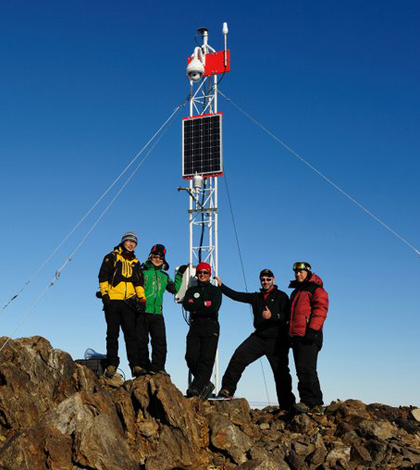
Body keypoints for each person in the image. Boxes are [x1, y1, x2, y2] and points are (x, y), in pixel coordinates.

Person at [215, 269, 296, 410]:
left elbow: (288, 316)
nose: (265, 282)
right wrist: (222, 286)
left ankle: (287, 405)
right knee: (238, 356)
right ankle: (227, 390)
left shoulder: (282, 296)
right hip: (259, 337)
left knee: (281, 372)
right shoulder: (256, 297)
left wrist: (273, 316)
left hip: (277, 339)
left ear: (273, 280)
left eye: (268, 279)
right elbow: (237, 296)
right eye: (263, 279)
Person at [98, 231, 146, 379]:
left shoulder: (136, 262)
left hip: (129, 303)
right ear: (123, 242)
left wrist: (142, 298)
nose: (131, 244)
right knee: (112, 334)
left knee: (131, 335)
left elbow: (138, 282)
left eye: (134, 242)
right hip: (113, 301)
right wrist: (105, 295)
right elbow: (103, 276)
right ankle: (112, 364)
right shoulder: (111, 257)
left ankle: (135, 366)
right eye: (129, 241)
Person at [136, 244, 186, 375]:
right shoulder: (142, 272)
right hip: (142, 311)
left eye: (161, 258)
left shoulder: (164, 276)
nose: (158, 259)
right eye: (155, 256)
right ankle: (143, 367)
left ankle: (158, 367)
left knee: (160, 342)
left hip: (157, 313)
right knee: (141, 342)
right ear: (150, 257)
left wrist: (180, 274)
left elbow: (174, 289)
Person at [288, 262, 329, 414]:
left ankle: (315, 402)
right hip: (297, 336)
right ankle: (306, 400)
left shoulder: (316, 289)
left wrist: (312, 330)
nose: (298, 274)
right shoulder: (297, 292)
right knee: (301, 370)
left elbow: (321, 309)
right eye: (296, 272)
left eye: (301, 272)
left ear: (308, 272)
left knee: (308, 369)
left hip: (310, 335)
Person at [183, 262, 222, 399]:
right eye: (200, 272)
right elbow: (187, 305)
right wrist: (204, 303)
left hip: (210, 326)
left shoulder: (215, 290)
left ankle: (196, 387)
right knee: (190, 357)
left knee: (206, 358)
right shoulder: (191, 291)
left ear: (209, 274)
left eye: (205, 272)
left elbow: (213, 308)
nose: (202, 275)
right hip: (195, 325)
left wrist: (197, 305)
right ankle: (205, 383)